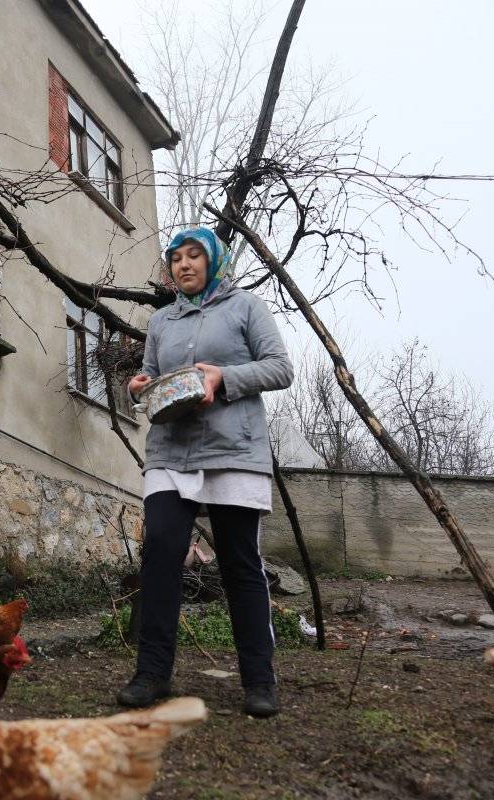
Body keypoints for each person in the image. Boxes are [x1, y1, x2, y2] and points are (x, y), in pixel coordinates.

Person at [117, 226, 293, 717]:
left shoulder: (246, 308)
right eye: (176, 258)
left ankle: (259, 680)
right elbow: (150, 377)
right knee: (160, 555)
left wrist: (224, 377)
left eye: (195, 256)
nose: (185, 265)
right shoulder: (162, 321)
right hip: (172, 452)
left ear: (214, 261)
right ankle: (152, 673)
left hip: (233, 449)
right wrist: (140, 387)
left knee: (240, 565)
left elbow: (280, 368)